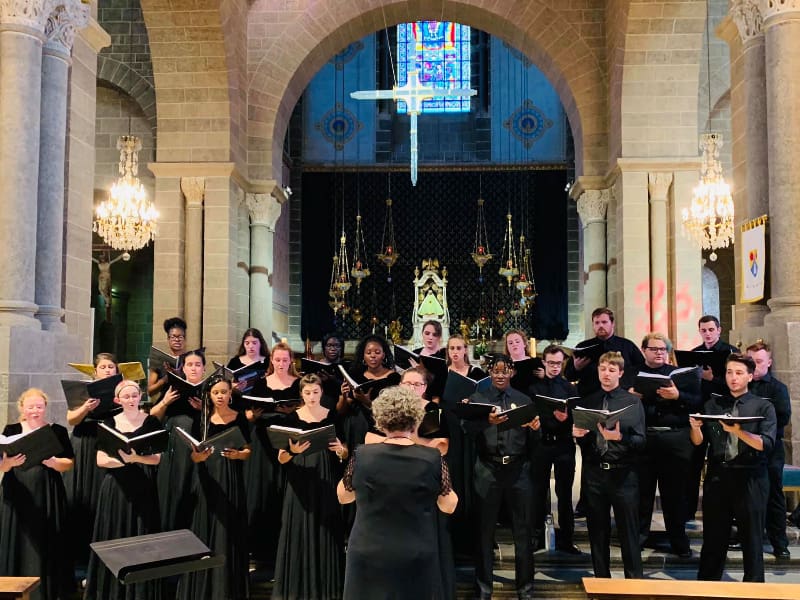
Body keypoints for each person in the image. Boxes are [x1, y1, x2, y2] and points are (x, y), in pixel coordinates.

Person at [337, 386, 457, 600]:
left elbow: (343, 496)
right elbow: (449, 505)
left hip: (368, 551)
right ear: (416, 419)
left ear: (380, 420)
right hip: (416, 552)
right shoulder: (431, 458)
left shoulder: (362, 455)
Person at [690, 354, 776, 582]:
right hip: (718, 476)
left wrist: (738, 431)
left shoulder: (763, 406)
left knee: (752, 539)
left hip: (750, 477)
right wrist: (695, 427)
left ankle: (754, 589)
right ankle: (707, 588)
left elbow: (765, 444)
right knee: (713, 539)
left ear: (749, 376)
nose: (733, 378)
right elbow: (699, 442)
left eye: (739, 373)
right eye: (729, 372)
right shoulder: (713, 404)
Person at [464, 355, 537, 600]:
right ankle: (483, 588)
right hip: (488, 469)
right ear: (489, 372)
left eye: (505, 370)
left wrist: (537, 429)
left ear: (512, 373)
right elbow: (466, 430)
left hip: (518, 470)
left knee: (523, 532)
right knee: (484, 532)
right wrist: (486, 420)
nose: (500, 375)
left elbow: (534, 443)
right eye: (495, 370)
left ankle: (525, 589)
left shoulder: (524, 400)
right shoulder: (478, 399)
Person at [84, 380, 163, 600]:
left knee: (141, 536)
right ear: (118, 399)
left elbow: (156, 459)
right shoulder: (108, 422)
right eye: (125, 396)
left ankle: (140, 592)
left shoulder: (152, 421)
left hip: (143, 486)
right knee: (114, 534)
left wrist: (135, 457)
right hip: (116, 487)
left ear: (140, 397)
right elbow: (101, 460)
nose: (130, 399)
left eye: (134, 395)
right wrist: (127, 461)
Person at [272, 374, 347, 600]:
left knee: (326, 526)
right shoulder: (291, 419)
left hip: (325, 477)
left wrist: (340, 451)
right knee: (299, 526)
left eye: (315, 392)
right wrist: (293, 452)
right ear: (301, 394)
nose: (312, 397)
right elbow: (281, 458)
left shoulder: (332, 416)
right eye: (307, 393)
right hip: (300, 477)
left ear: (321, 392)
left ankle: (327, 588)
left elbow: (344, 451)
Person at [573, 351, 645, 579]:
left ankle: (634, 586)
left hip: (624, 475)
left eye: (612, 370)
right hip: (595, 474)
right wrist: (578, 435)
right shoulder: (588, 402)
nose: (606, 374)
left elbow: (641, 442)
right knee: (597, 534)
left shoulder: (632, 402)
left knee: (629, 534)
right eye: (603, 369)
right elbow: (585, 444)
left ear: (621, 373)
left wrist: (619, 438)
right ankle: (601, 583)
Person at [178, 376, 251, 600]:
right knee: (204, 524)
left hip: (230, 476)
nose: (220, 396)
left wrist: (238, 454)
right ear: (209, 395)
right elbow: (193, 456)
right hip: (206, 476)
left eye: (224, 392)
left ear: (231, 394)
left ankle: (227, 586)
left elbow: (248, 451)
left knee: (228, 527)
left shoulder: (240, 418)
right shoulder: (201, 419)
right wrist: (199, 456)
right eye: (215, 392)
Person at [0, 388, 74, 600]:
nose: (35, 410)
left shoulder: (57, 431)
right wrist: (8, 463)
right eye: (30, 406)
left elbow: (68, 464)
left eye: (39, 407)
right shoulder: (12, 429)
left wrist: (53, 462)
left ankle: (47, 590)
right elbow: (2, 467)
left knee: (46, 538)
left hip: (48, 492)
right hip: (17, 490)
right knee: (19, 538)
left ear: (45, 408)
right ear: (22, 407)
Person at [631, 333, 700, 558]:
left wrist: (677, 394)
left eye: (663, 349)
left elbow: (697, 401)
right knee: (643, 493)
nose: (659, 352)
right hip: (646, 438)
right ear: (644, 350)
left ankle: (678, 540)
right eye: (654, 349)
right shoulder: (633, 373)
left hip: (675, 439)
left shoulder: (680, 374)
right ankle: (639, 538)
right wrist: (632, 396)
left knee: (675, 495)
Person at [245, 341, 300, 564]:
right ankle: (259, 550)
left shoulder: (298, 384)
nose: (280, 364)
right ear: (271, 360)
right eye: (277, 360)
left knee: (284, 490)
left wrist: (292, 410)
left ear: (291, 361)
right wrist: (255, 414)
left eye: (285, 360)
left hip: (287, 439)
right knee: (262, 490)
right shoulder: (260, 383)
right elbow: (249, 411)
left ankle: (285, 549)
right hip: (263, 440)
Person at [63, 352, 119, 569]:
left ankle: (103, 558)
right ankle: (79, 560)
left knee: (101, 495)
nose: (107, 370)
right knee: (81, 494)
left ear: (116, 371)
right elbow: (71, 419)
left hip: (106, 443)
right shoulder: (81, 390)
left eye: (111, 367)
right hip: (83, 443)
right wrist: (86, 407)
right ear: (95, 371)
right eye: (103, 367)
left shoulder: (120, 391)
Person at [528, 344, 581, 554]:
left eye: (558, 363)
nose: (555, 367)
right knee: (538, 493)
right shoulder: (535, 388)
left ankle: (567, 540)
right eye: (551, 363)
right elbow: (532, 415)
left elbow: (578, 418)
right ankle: (537, 538)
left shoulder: (570, 389)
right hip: (542, 444)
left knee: (565, 494)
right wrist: (550, 418)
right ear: (544, 362)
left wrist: (567, 419)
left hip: (564, 444)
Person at [685, 315, 738, 522]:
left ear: (719, 330)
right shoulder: (694, 354)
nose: (707, 333)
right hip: (699, 413)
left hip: (722, 414)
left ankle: (722, 512)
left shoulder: (730, 352)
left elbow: (736, 385)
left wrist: (711, 378)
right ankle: (688, 512)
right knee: (693, 464)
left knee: (721, 462)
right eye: (703, 330)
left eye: (710, 329)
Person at [746, 341, 791, 560]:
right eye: (751, 361)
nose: (754, 366)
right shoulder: (742, 387)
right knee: (745, 495)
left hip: (771, 448)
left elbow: (783, 418)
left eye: (759, 361)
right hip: (746, 447)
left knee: (774, 495)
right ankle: (745, 538)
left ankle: (779, 543)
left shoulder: (777, 388)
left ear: (769, 362)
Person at [151, 348, 204, 530]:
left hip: (197, 442)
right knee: (173, 484)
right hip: (174, 441)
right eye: (189, 365)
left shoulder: (211, 390)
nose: (194, 368)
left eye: (198, 365)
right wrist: (165, 401)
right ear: (183, 368)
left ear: (204, 369)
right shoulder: (172, 387)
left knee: (192, 484)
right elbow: (152, 416)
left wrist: (203, 409)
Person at [336, 334, 401, 451]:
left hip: (380, 427)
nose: (373, 356)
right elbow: (341, 411)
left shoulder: (393, 378)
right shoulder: (355, 375)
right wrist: (344, 397)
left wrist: (367, 402)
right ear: (363, 356)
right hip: (356, 427)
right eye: (368, 352)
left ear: (384, 355)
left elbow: (393, 411)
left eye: (377, 352)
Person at [565, 307, 644, 397]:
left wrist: (632, 386)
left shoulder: (627, 346)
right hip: (590, 397)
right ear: (593, 325)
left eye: (604, 322)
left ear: (612, 323)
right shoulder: (582, 347)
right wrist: (576, 368)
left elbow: (641, 369)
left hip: (620, 397)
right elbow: (569, 377)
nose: (600, 325)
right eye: (597, 323)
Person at [147, 316, 188, 402]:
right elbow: (150, 391)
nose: (177, 340)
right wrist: (165, 379)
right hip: (166, 402)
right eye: (173, 337)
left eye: (180, 337)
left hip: (187, 401)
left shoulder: (191, 360)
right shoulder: (160, 360)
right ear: (168, 339)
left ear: (184, 339)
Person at [227, 327, 270, 398]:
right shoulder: (235, 361)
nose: (251, 346)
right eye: (247, 343)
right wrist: (232, 385)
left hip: (262, 398)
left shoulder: (268, 360)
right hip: (239, 399)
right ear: (243, 344)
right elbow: (225, 382)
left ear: (261, 343)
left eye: (254, 343)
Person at [413, 319, 448, 400]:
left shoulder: (444, 354)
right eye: (427, 333)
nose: (430, 337)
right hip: (414, 396)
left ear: (439, 337)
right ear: (422, 334)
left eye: (434, 335)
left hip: (436, 398)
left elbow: (442, 382)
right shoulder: (415, 353)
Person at [316, 331, 349, 406]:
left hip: (342, 400)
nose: (333, 349)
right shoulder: (317, 365)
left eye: (337, 346)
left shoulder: (347, 365)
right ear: (324, 348)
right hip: (320, 399)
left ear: (341, 348)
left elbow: (350, 388)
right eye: (329, 345)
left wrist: (332, 380)